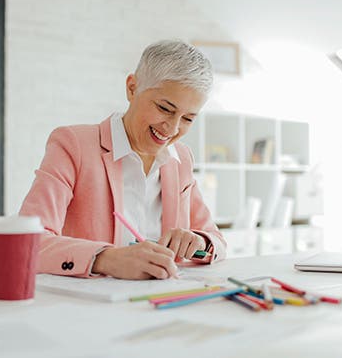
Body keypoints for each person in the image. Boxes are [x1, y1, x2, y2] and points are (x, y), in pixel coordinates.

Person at [20, 40, 226, 280]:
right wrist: (105, 259)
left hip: (162, 300)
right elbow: (27, 240)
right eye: (165, 108)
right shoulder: (72, 145)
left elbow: (217, 242)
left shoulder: (181, 159)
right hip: (91, 307)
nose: (172, 128)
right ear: (132, 88)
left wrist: (198, 241)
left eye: (188, 119)